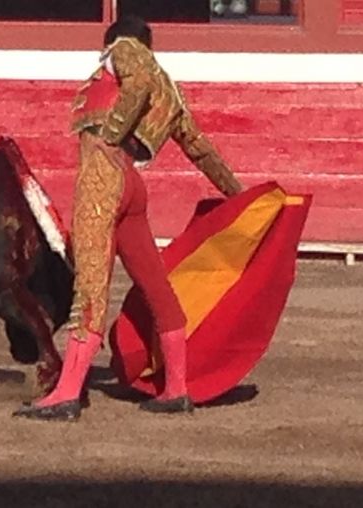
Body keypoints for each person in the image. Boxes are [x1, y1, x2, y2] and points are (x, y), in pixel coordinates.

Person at [14, 15, 242, 421]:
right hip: (132, 185)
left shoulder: (124, 49)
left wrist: (111, 134)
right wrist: (238, 194)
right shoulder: (170, 92)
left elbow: (135, 81)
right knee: (157, 287)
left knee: (90, 286)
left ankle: (66, 393)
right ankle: (177, 388)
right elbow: (200, 148)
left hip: (103, 177)